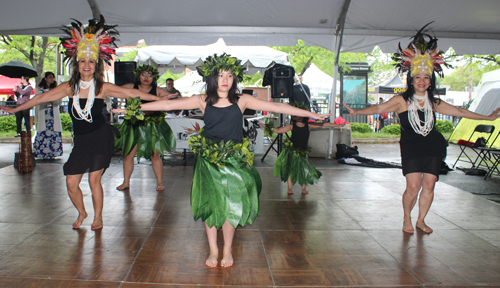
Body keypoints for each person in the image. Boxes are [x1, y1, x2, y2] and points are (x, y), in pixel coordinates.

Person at [140, 53, 330, 268]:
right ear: (213, 78)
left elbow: (278, 107)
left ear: (234, 78)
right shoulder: (202, 100)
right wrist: (135, 108)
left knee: (231, 205)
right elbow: (167, 107)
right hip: (208, 161)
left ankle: (227, 250)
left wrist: (309, 113)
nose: (225, 79)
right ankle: (213, 250)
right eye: (221, 75)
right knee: (210, 205)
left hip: (234, 159)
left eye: (229, 75)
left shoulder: (242, 100)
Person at [1, 17, 169, 230]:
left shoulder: (103, 87)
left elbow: (131, 92)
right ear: (77, 64)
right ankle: (82, 212)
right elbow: (40, 98)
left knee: (93, 180)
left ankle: (98, 217)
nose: (87, 65)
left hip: (100, 137)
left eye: (91, 61)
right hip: (80, 141)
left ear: (96, 64)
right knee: (71, 183)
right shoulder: (68, 87)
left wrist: (158, 99)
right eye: (83, 61)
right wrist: (16, 108)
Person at [343, 24, 500, 235]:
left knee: (429, 186)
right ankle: (407, 217)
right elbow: (379, 107)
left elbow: (461, 112)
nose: (422, 81)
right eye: (418, 77)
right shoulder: (401, 101)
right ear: (411, 79)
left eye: (426, 77)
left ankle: (421, 220)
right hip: (411, 148)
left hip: (433, 146)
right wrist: (356, 112)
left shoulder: (434, 102)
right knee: (413, 187)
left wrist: (488, 117)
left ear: (430, 80)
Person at [259, 101, 344, 195]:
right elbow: (278, 130)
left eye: (298, 113)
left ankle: (303, 188)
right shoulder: (291, 126)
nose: (295, 115)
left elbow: (323, 124)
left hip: (302, 151)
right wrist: (265, 126)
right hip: (291, 151)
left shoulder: (309, 126)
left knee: (303, 169)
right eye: (294, 114)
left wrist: (338, 125)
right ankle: (290, 187)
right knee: (290, 169)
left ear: (304, 115)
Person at [115, 65, 177, 191]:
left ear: (153, 77)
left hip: (152, 125)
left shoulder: (158, 90)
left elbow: (173, 100)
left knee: (155, 155)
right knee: (128, 154)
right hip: (133, 125)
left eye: (150, 75)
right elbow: (112, 90)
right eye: (143, 74)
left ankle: (160, 182)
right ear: (138, 75)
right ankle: (126, 182)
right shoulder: (130, 87)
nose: (146, 78)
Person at [33, 72, 63, 159]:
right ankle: (41, 152)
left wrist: (52, 99)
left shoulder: (55, 89)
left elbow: (59, 101)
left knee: (54, 132)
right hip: (44, 112)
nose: (51, 79)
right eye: (50, 77)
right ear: (45, 78)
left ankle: (53, 152)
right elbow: (37, 99)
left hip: (53, 113)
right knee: (43, 131)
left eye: (52, 77)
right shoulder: (40, 89)